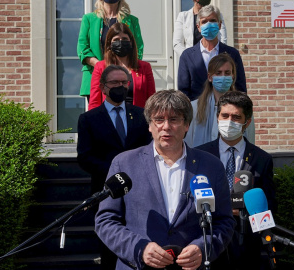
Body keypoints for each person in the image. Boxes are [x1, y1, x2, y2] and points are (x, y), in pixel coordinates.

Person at [94, 90, 236, 270]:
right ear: (150, 125)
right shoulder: (124, 163)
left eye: (174, 119)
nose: (166, 126)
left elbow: (224, 222)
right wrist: (140, 249)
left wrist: (203, 248)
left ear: (186, 125)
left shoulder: (211, 166)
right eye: (159, 120)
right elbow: (106, 220)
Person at [76, 65, 152, 269]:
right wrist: (114, 173)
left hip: (138, 190)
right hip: (105, 191)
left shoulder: (141, 115)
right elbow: (84, 157)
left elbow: (149, 149)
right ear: (103, 87)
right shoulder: (88, 119)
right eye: (114, 83)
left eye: (124, 83)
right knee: (109, 247)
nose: (120, 86)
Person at [197, 91, 276, 269]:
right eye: (224, 115)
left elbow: (269, 204)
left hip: (246, 243)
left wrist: (247, 212)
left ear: (246, 122)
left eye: (236, 117)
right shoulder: (199, 155)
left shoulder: (261, 159)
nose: (229, 122)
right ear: (217, 117)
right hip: (209, 239)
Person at [177, 5, 247, 101]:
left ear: (219, 25)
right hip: (197, 111)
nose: (209, 24)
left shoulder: (232, 54)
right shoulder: (187, 56)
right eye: (204, 22)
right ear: (198, 27)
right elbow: (183, 91)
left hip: (226, 110)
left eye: (213, 20)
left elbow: (240, 87)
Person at [77, 0, 144, 99]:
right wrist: (101, 66)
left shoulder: (131, 20)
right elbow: (83, 47)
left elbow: (138, 47)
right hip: (96, 77)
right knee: (98, 113)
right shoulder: (89, 19)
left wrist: (124, 70)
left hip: (123, 79)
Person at [89, 23, 155, 110]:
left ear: (131, 42)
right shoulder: (100, 67)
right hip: (108, 120)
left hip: (138, 119)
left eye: (124, 39)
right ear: (110, 44)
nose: (120, 42)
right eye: (116, 40)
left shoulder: (145, 67)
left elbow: (152, 100)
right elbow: (94, 102)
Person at [184, 53, 237, 147]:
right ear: (210, 77)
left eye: (227, 73)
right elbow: (188, 142)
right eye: (218, 73)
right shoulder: (194, 108)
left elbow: (249, 140)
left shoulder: (241, 107)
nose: (223, 77)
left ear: (233, 76)